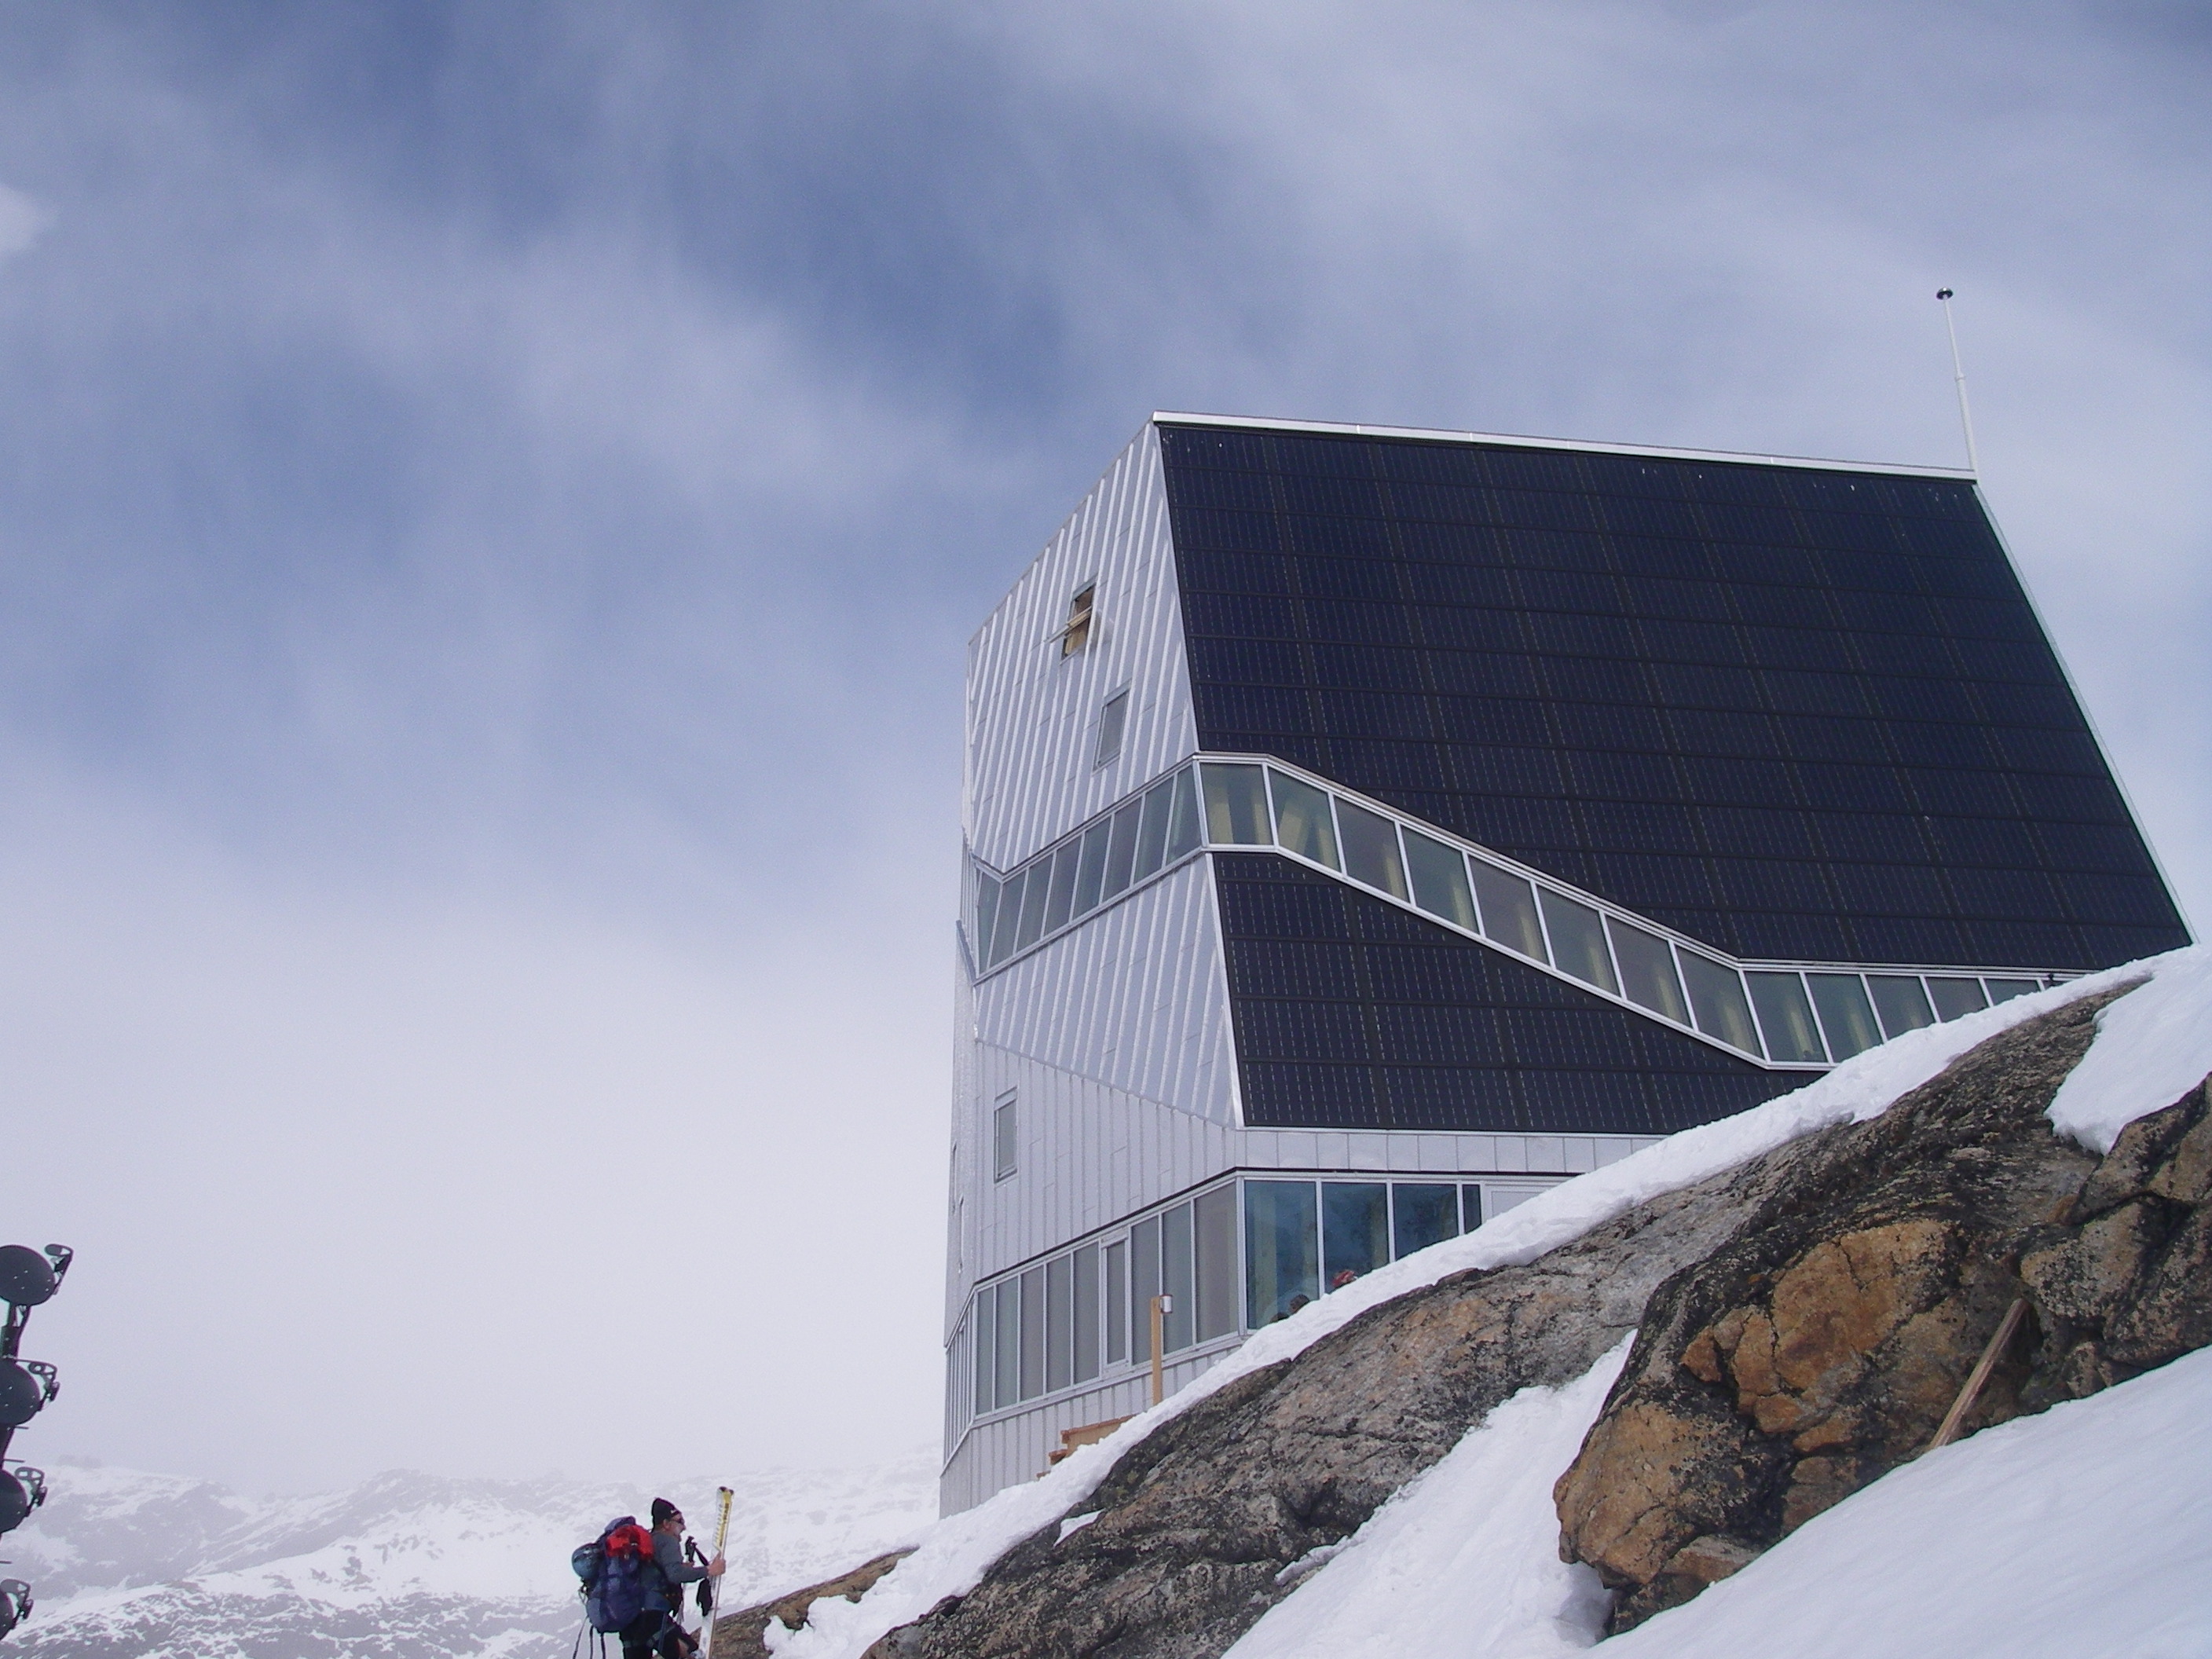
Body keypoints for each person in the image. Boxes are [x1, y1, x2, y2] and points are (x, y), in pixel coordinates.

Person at [616, 1498, 726, 1659]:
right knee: (691, 1653)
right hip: (653, 1618)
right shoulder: (667, 1540)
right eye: (680, 1521)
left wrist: (682, 1568)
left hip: (630, 1624)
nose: (683, 1526)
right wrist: (709, 1570)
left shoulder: (645, 1543)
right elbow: (675, 1575)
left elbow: (656, 1573)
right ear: (666, 1523)